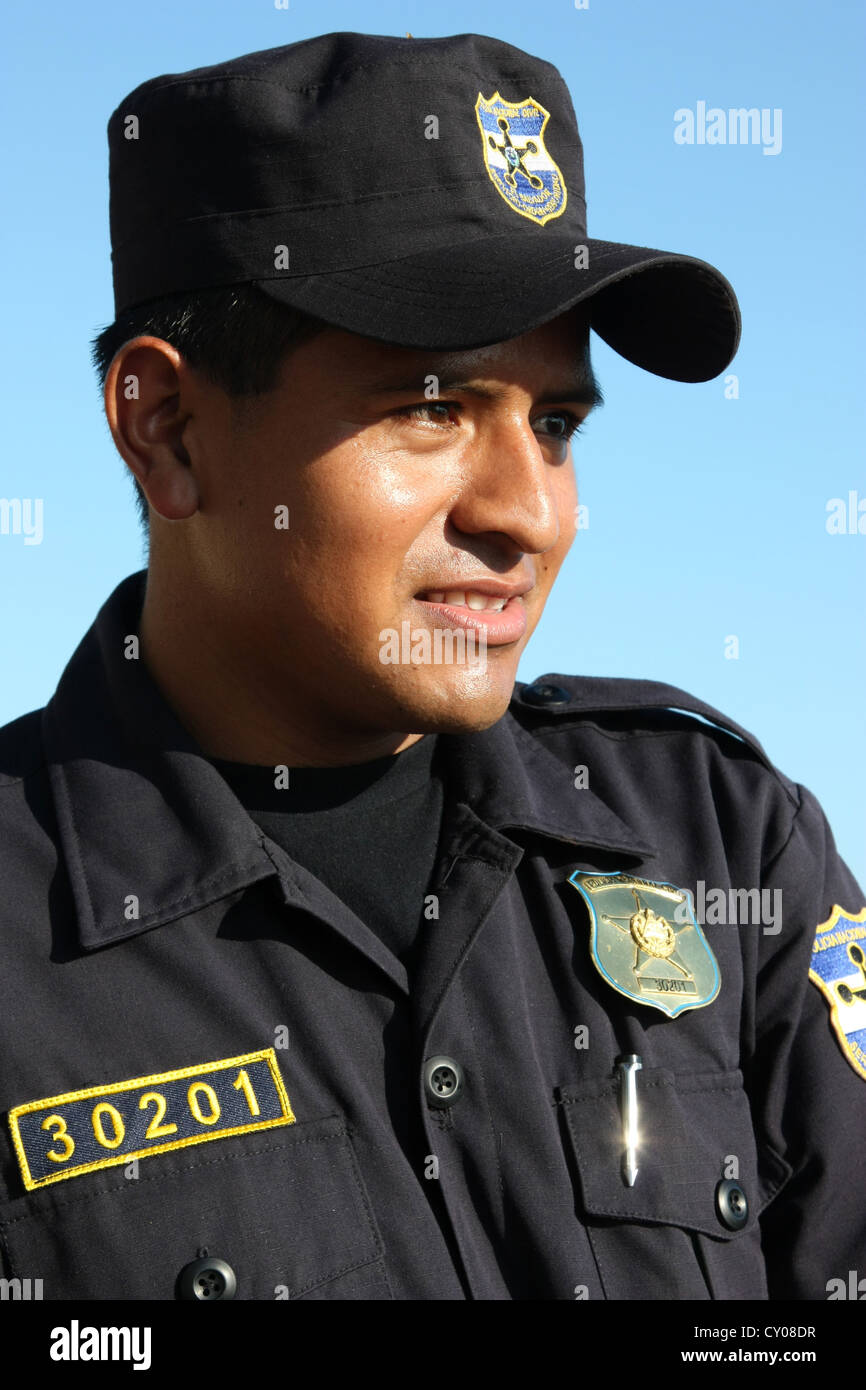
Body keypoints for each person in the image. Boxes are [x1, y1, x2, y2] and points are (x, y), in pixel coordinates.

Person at [0, 30, 862, 1303]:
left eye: (556, 423)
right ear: (166, 428)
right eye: (431, 406)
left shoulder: (722, 844)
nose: (531, 511)